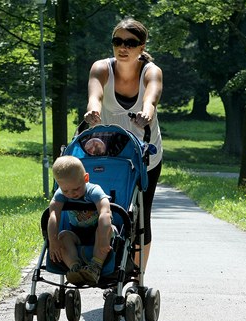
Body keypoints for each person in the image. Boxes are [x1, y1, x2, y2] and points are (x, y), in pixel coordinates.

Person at [84, 18, 163, 269]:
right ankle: (102, 265)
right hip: (108, 154)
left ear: (142, 46)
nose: (123, 47)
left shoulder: (151, 71)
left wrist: (147, 112)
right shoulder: (101, 68)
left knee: (142, 217)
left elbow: (151, 98)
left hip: (145, 154)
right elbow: (94, 96)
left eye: (130, 42)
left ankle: (137, 276)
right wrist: (93, 111)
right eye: (117, 41)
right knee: (103, 208)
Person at [48, 155, 113, 286]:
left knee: (104, 229)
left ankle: (95, 267)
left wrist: (104, 237)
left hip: (99, 231)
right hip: (77, 233)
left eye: (76, 189)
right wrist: (52, 240)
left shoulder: (94, 191)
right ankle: (75, 268)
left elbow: (105, 212)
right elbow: (53, 215)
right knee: (63, 236)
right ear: (58, 184)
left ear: (86, 178)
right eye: (66, 190)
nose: (71, 194)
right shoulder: (60, 194)